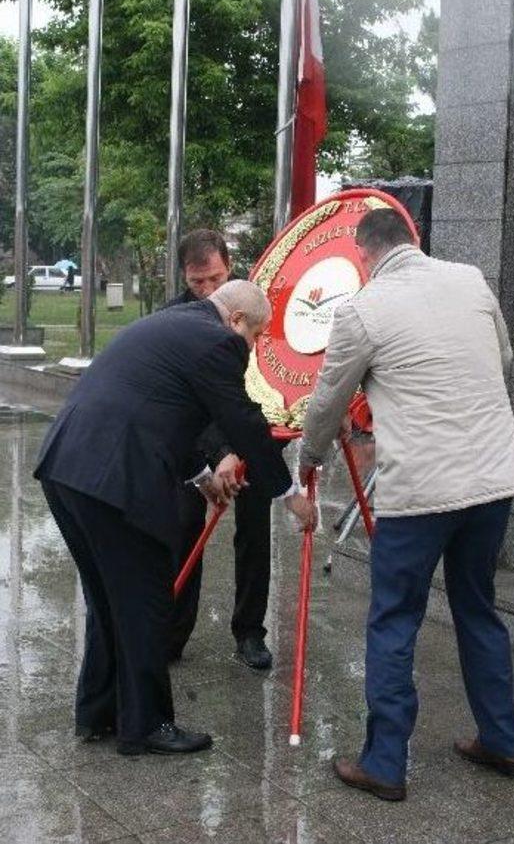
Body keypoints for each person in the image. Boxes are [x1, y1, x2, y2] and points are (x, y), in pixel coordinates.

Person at [298, 209, 514, 802]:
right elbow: (501, 360)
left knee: (395, 618)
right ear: (414, 241)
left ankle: (384, 763)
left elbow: (330, 398)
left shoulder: (362, 309)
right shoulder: (471, 279)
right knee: (478, 608)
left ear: (364, 255)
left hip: (421, 491)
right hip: (493, 480)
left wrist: (310, 454)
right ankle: (502, 739)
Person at [35, 281, 316, 757]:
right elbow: (243, 422)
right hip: (112, 480)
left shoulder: (171, 323)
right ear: (237, 322)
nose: (253, 348)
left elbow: (165, 412)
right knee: (145, 598)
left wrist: (203, 475)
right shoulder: (219, 342)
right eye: (257, 335)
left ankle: (98, 711)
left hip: (68, 466)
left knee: (108, 599)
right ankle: (145, 725)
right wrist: (290, 492)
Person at [163, 229, 280, 670]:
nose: (209, 292)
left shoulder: (252, 309)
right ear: (184, 279)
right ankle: (173, 633)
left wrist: (242, 450)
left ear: (229, 268)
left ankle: (250, 632)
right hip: (197, 446)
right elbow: (186, 406)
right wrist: (218, 456)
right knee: (183, 530)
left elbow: (267, 384)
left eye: (215, 279)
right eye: (197, 283)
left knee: (254, 535)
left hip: (252, 439)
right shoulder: (174, 317)